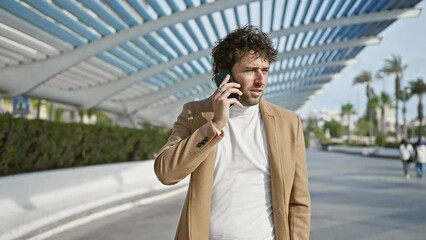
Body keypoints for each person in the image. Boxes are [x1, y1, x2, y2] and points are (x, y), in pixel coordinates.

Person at [154, 25, 311, 240]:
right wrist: (215, 125)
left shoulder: (288, 123)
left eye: (265, 70)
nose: (260, 80)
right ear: (224, 73)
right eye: (250, 70)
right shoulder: (194, 114)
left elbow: (298, 201)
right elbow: (166, 173)